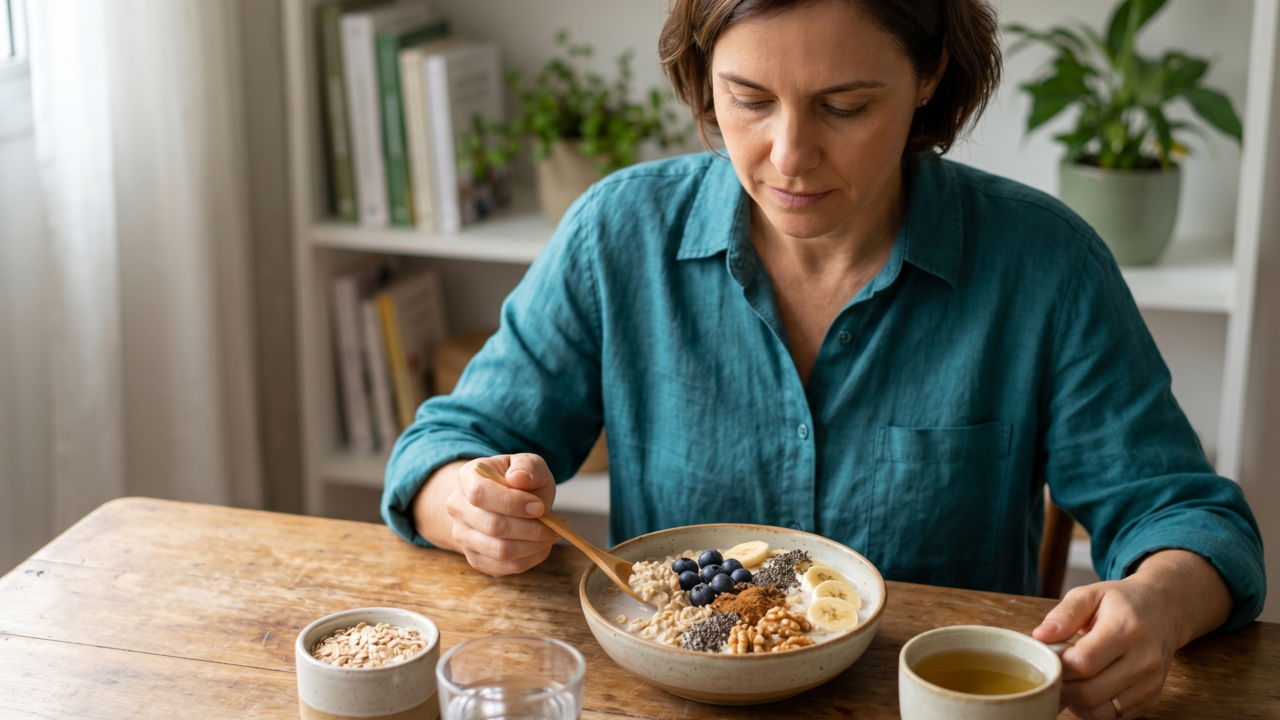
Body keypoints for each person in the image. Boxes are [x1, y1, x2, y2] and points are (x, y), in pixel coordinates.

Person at [381, 1, 1265, 717]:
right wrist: (466, 498)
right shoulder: (618, 235)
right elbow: (447, 444)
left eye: (845, 106)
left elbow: (1190, 519)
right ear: (702, 79)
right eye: (749, 100)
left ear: (929, 78)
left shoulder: (1045, 266)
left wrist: (1159, 602)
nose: (789, 156)